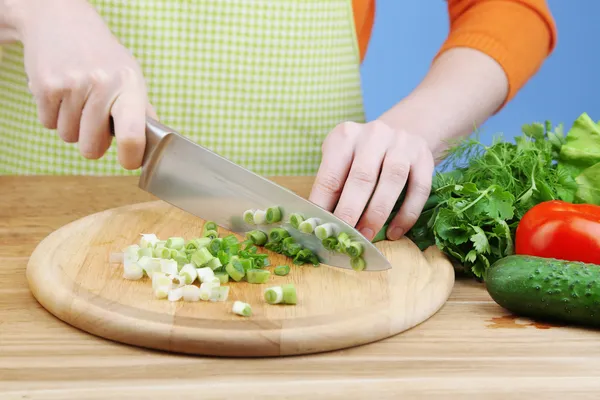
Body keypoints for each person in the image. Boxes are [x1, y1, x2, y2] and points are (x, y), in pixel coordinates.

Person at [0, 0, 556, 241]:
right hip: (25, 215)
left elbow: (509, 11)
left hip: (308, 215)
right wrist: (41, 9)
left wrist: (420, 124)